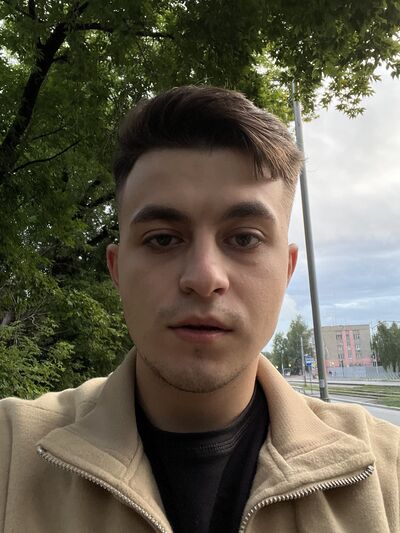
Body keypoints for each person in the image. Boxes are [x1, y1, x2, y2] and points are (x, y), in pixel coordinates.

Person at [0, 86, 399, 533]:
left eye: (244, 238)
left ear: (287, 270)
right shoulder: (12, 452)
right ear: (117, 269)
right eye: (162, 239)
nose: (205, 277)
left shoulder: (386, 473)